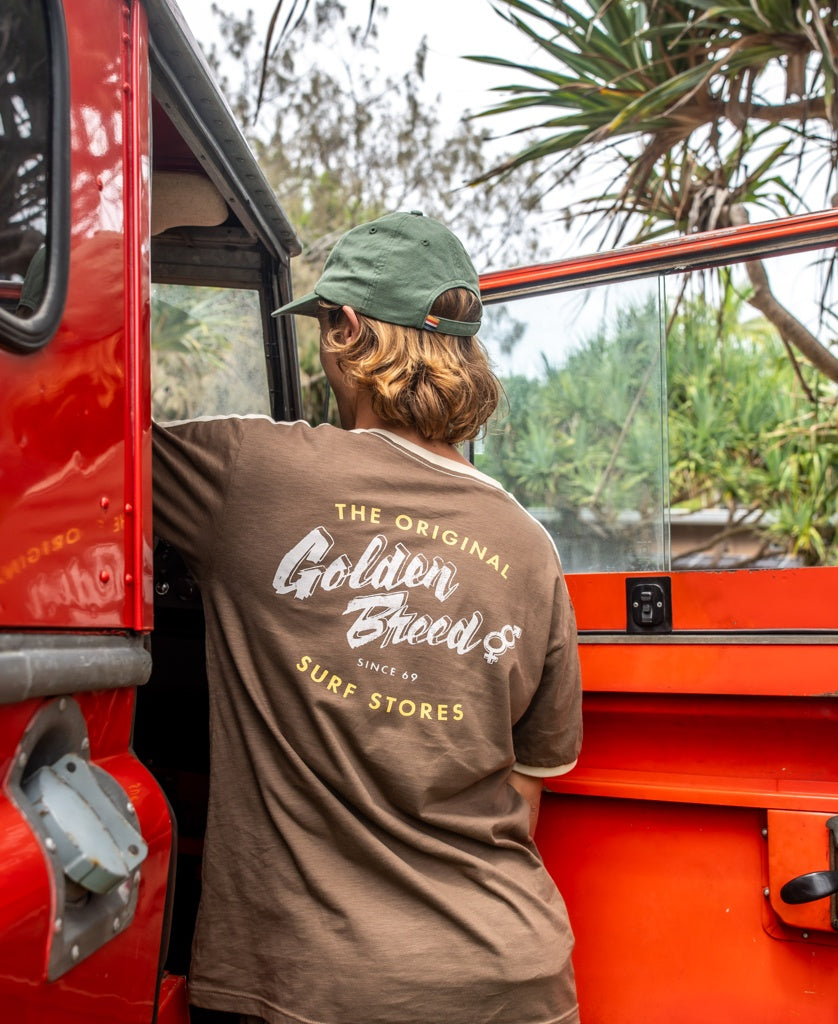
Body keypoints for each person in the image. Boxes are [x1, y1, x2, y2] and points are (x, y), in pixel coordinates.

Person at [152, 210, 583, 1024]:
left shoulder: (249, 475)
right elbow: (525, 798)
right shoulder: (530, 548)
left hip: (320, 990)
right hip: (514, 981)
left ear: (345, 328)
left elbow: (74, 437)